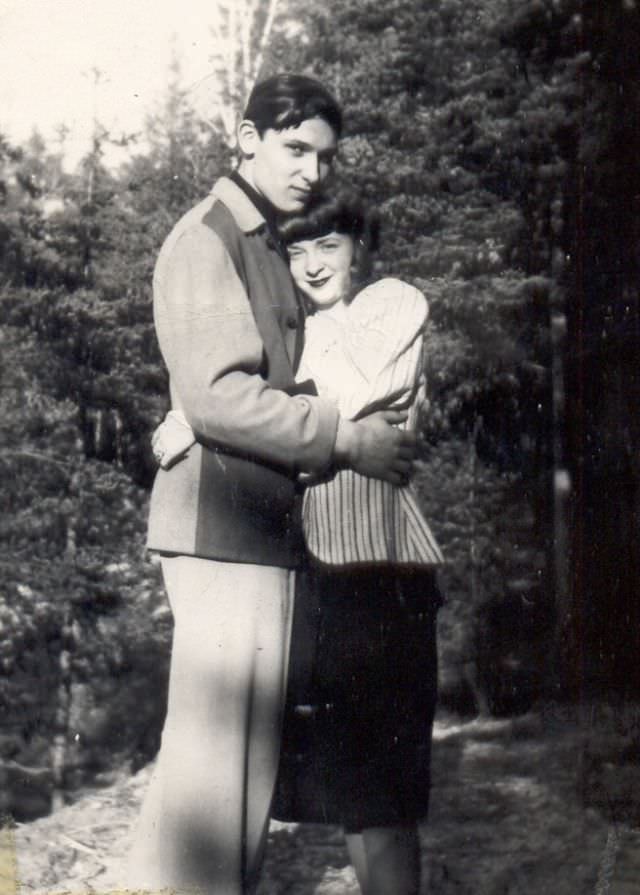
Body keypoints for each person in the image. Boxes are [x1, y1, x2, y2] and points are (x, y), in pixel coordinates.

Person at [125, 74, 417, 895]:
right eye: (294, 148)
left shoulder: (265, 241)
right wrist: (344, 436)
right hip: (223, 527)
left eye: (324, 156)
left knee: (223, 776)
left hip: (257, 528)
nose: (311, 171)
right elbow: (220, 393)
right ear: (245, 139)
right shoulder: (209, 236)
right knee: (219, 782)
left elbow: (258, 383)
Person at [272, 192, 444, 895]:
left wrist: (283, 424)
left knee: (388, 795)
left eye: (329, 246)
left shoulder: (393, 302)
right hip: (320, 567)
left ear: (359, 250)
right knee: (352, 790)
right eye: (297, 250)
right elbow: (307, 421)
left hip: (385, 566)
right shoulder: (294, 334)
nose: (312, 265)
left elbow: (345, 390)